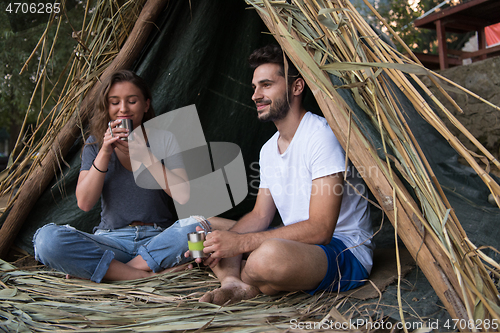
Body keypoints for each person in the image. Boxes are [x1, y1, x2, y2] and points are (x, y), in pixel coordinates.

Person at [191, 45, 374, 305]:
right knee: (208, 228)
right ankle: (234, 283)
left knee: (266, 257)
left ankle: (244, 276)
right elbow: (260, 215)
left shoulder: (321, 136)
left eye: (266, 85)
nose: (256, 95)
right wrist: (221, 244)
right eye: (254, 87)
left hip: (343, 251)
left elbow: (321, 230)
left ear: (297, 87)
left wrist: (240, 245)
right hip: (296, 243)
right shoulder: (268, 149)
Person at [33, 70, 231, 282]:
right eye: (115, 102)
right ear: (107, 108)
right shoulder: (95, 144)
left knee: (195, 229)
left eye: (132, 101)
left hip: (160, 240)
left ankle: (112, 272)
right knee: (47, 241)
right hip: (111, 241)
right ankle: (144, 275)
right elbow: (84, 203)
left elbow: (182, 195)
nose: (123, 109)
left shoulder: (164, 140)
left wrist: (144, 154)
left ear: (145, 105)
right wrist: (105, 152)